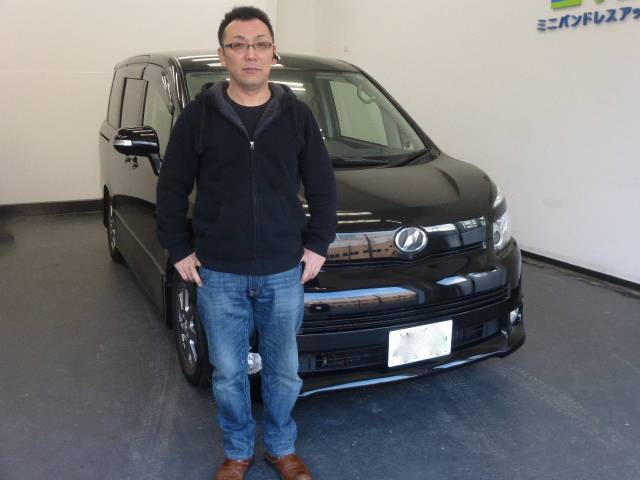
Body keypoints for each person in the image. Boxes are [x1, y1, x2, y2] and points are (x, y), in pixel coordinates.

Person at [156, 6, 337, 480]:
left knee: (284, 372)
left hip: (283, 270)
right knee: (229, 373)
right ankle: (237, 452)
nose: (250, 54)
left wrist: (319, 243)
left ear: (273, 53)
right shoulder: (199, 117)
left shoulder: (297, 116)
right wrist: (179, 248)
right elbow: (171, 186)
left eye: (259, 44)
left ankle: (281, 448)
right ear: (223, 56)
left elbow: (322, 185)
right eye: (238, 45)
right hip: (219, 272)